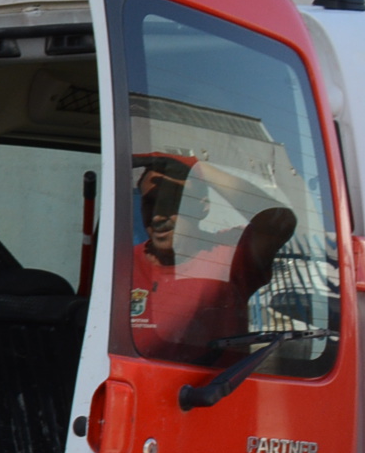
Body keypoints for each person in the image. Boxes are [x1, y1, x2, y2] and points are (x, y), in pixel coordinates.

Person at [126, 149, 296, 361]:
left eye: (171, 201)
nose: (158, 216)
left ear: (203, 207)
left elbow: (279, 220)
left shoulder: (229, 254)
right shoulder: (124, 263)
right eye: (150, 203)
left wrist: (196, 167)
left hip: (211, 392)